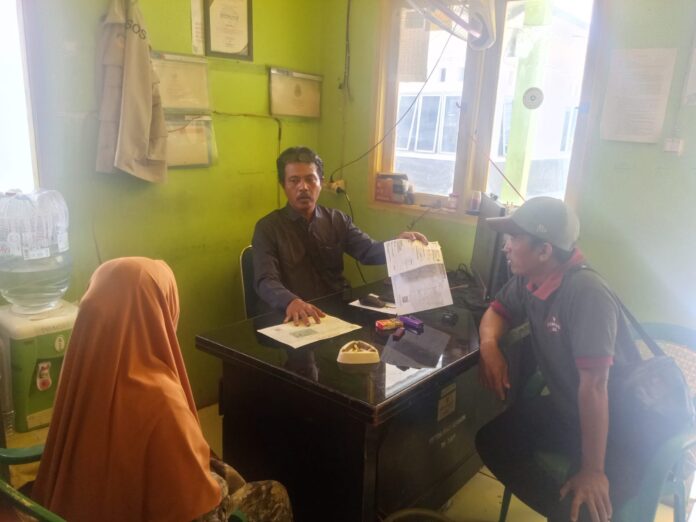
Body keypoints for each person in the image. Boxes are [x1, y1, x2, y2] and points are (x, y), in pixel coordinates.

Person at [32, 257, 293, 522]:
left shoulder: (80, 373)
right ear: (156, 311)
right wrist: (220, 486)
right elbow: (199, 510)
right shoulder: (160, 400)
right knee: (273, 492)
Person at [475, 197, 642, 522]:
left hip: (618, 427)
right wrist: (489, 345)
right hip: (571, 409)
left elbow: (595, 387)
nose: (506, 247)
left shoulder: (587, 292)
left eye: (514, 238)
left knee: (584, 508)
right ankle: (563, 506)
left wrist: (593, 471)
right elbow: (496, 312)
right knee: (493, 441)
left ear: (544, 250)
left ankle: (571, 508)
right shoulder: (530, 279)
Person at [252, 146, 427, 326]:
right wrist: (290, 301)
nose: (303, 187)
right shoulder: (268, 228)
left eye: (310, 179)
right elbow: (265, 280)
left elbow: (368, 251)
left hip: (337, 311)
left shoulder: (337, 219)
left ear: (321, 182)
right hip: (292, 316)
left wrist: (399, 245)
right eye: (294, 180)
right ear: (283, 185)